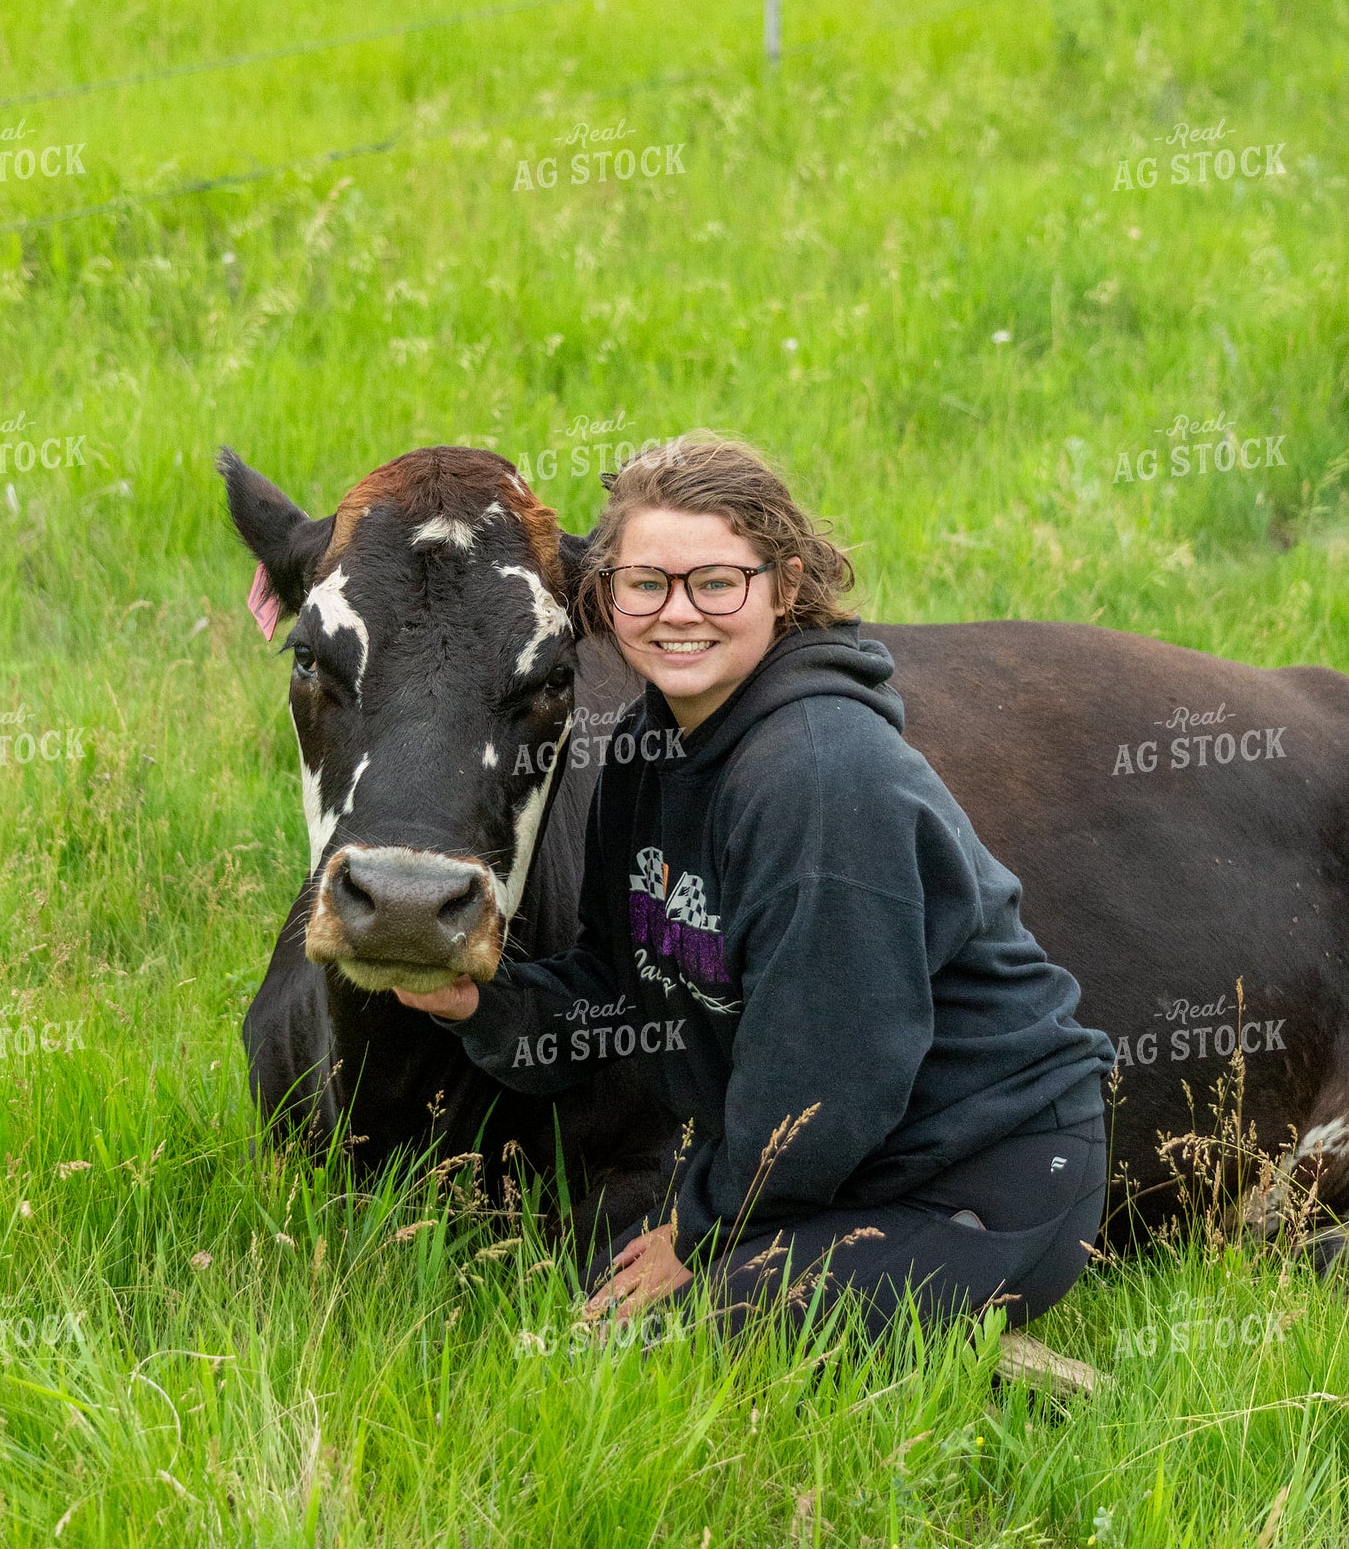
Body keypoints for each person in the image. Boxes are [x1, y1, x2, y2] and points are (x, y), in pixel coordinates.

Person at [396, 435, 1115, 1342]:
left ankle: (1015, 1368)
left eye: (717, 582)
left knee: (672, 1344)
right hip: (854, 1167)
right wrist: (480, 1003)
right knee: (590, 1288)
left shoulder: (820, 775)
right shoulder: (650, 749)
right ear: (608, 595)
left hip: (979, 1175)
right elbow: (620, 989)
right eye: (646, 583)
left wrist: (698, 1230)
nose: (678, 613)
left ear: (783, 583)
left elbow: (829, 1078)